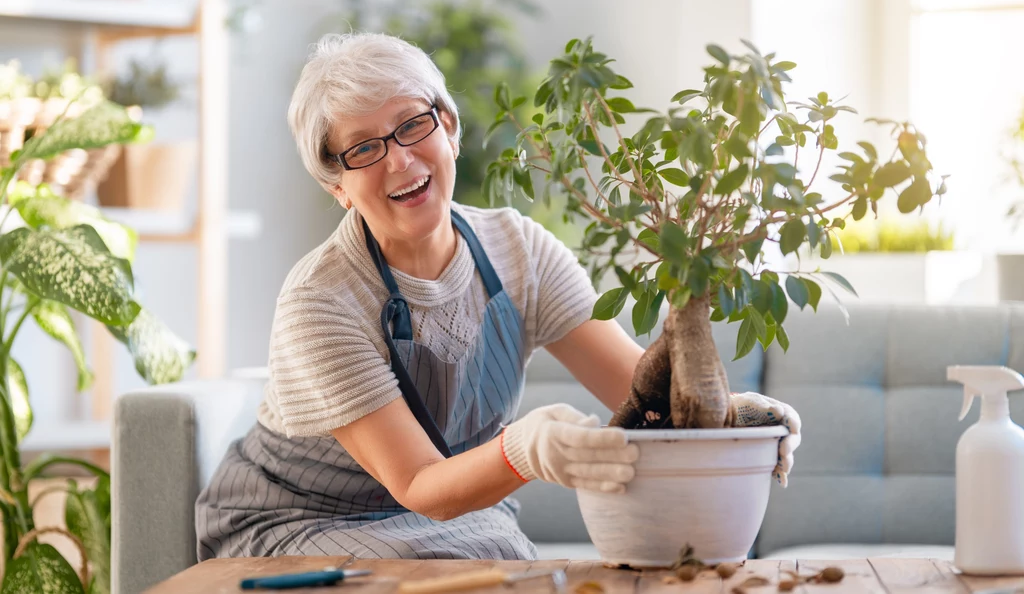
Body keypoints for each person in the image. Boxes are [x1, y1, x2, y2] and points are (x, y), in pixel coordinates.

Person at [194, 32, 801, 561]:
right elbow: (420, 484)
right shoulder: (321, 299)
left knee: (495, 553)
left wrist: (733, 419)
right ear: (339, 185)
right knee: (443, 564)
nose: (400, 160)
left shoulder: (519, 250)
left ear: (449, 128)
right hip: (299, 523)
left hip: (454, 522)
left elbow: (638, 396)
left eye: (412, 125)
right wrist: (524, 448)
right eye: (364, 148)